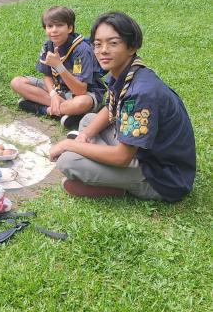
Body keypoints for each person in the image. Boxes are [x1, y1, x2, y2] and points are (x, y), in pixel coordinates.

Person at [50, 12, 196, 201]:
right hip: (142, 151)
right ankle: (103, 166)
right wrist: (84, 136)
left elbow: (121, 157)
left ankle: (117, 186)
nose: (103, 50)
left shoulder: (141, 93)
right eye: (97, 44)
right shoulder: (126, 71)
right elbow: (110, 107)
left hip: (161, 175)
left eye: (113, 43)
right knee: (89, 121)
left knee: (68, 161)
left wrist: (70, 144)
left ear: (131, 46)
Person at [10, 6, 105, 129]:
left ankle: (43, 109)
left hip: (84, 93)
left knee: (82, 103)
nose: (54, 30)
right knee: (17, 82)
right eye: (50, 26)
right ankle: (67, 112)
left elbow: (80, 90)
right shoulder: (48, 45)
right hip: (59, 90)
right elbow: (47, 75)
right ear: (45, 29)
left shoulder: (81, 50)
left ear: (70, 28)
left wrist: (58, 66)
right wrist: (53, 94)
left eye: (59, 25)